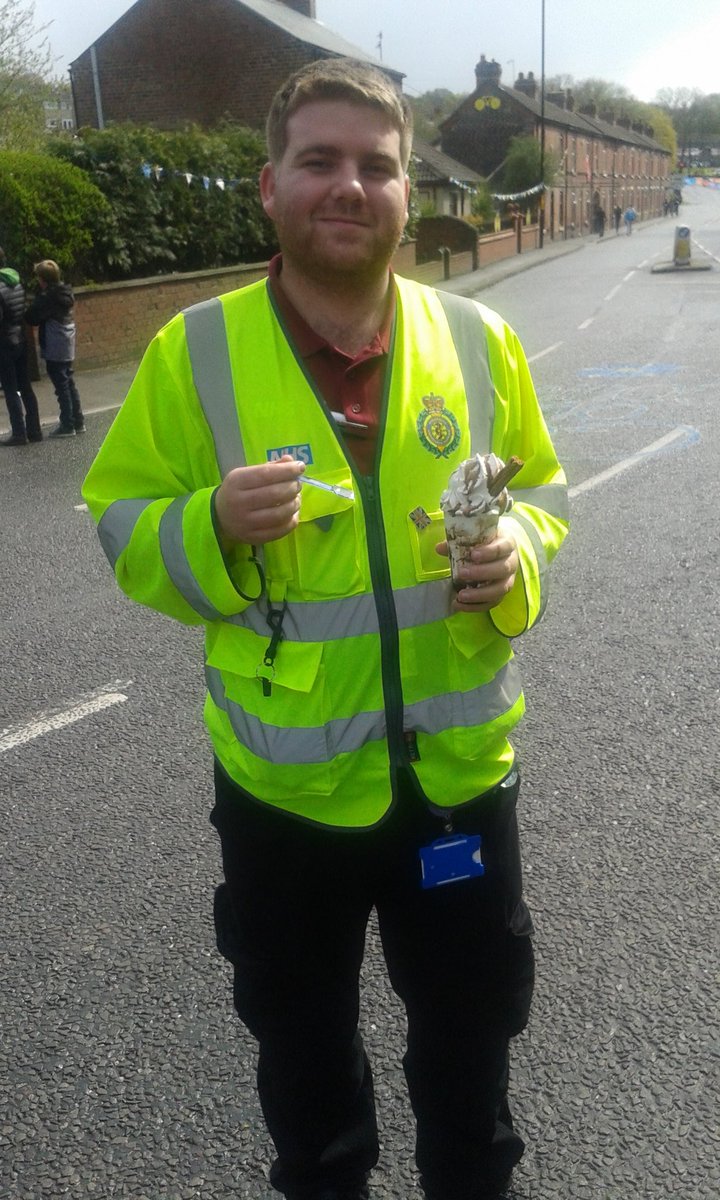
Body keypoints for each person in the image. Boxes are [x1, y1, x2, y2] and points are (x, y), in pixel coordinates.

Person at [83, 59, 569, 1200]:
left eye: (376, 166)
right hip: (284, 797)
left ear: (409, 193)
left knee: (470, 1059)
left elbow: (542, 491)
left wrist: (518, 559)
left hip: (458, 783)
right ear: (270, 187)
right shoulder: (191, 351)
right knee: (306, 1068)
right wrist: (206, 523)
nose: (349, 186)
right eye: (320, 162)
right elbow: (119, 518)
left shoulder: (478, 340)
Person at [25, 259, 85, 437]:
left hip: (54, 343)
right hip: (66, 342)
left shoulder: (48, 297)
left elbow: (31, 317)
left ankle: (67, 425)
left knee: (61, 386)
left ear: (43, 279)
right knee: (69, 381)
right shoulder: (64, 291)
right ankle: (78, 420)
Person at [0, 247, 42, 447]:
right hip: (21, 339)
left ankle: (18, 433)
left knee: (10, 389)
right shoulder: (15, 282)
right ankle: (34, 430)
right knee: (25, 386)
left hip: (4, 343)